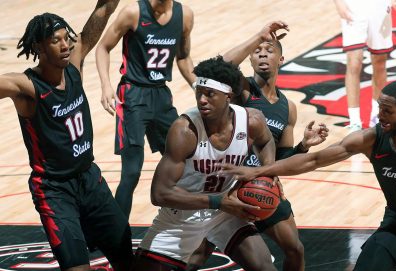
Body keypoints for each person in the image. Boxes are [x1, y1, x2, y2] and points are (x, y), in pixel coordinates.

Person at [223, 79, 396, 270]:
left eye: (387, 111)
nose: (380, 116)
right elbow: (313, 160)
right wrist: (261, 170)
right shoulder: (370, 139)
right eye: (379, 108)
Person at [0, 2, 135, 270]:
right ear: (39, 47)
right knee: (76, 266)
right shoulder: (27, 87)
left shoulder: (74, 65)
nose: (65, 45)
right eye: (55, 41)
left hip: (89, 178)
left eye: (66, 38)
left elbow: (103, 11)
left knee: (125, 254)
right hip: (54, 189)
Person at [187, 21, 328, 271]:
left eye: (269, 49)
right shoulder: (242, 90)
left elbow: (282, 158)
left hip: (260, 185)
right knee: (198, 254)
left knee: (295, 249)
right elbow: (221, 67)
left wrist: (303, 146)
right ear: (250, 60)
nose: (262, 53)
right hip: (227, 181)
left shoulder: (288, 107)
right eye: (257, 50)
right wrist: (258, 36)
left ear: (281, 59)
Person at [132, 56, 278, 271]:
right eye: (199, 92)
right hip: (182, 216)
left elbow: (266, 142)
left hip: (226, 212)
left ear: (228, 95)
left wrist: (268, 172)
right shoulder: (184, 130)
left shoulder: (251, 120)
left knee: (265, 268)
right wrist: (218, 201)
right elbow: (159, 194)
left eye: (210, 94)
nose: (201, 100)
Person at [96, 0, 196, 219]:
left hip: (161, 95)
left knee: (184, 162)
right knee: (131, 172)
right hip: (133, 96)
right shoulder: (133, 12)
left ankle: (186, 222)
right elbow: (103, 47)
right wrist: (106, 85)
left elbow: (183, 56)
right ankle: (115, 234)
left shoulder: (184, 16)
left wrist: (198, 86)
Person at [333, 0, 396, 132]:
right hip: (352, 6)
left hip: (379, 6)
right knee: (354, 63)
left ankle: (377, 115)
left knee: (380, 62)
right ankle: (354, 121)